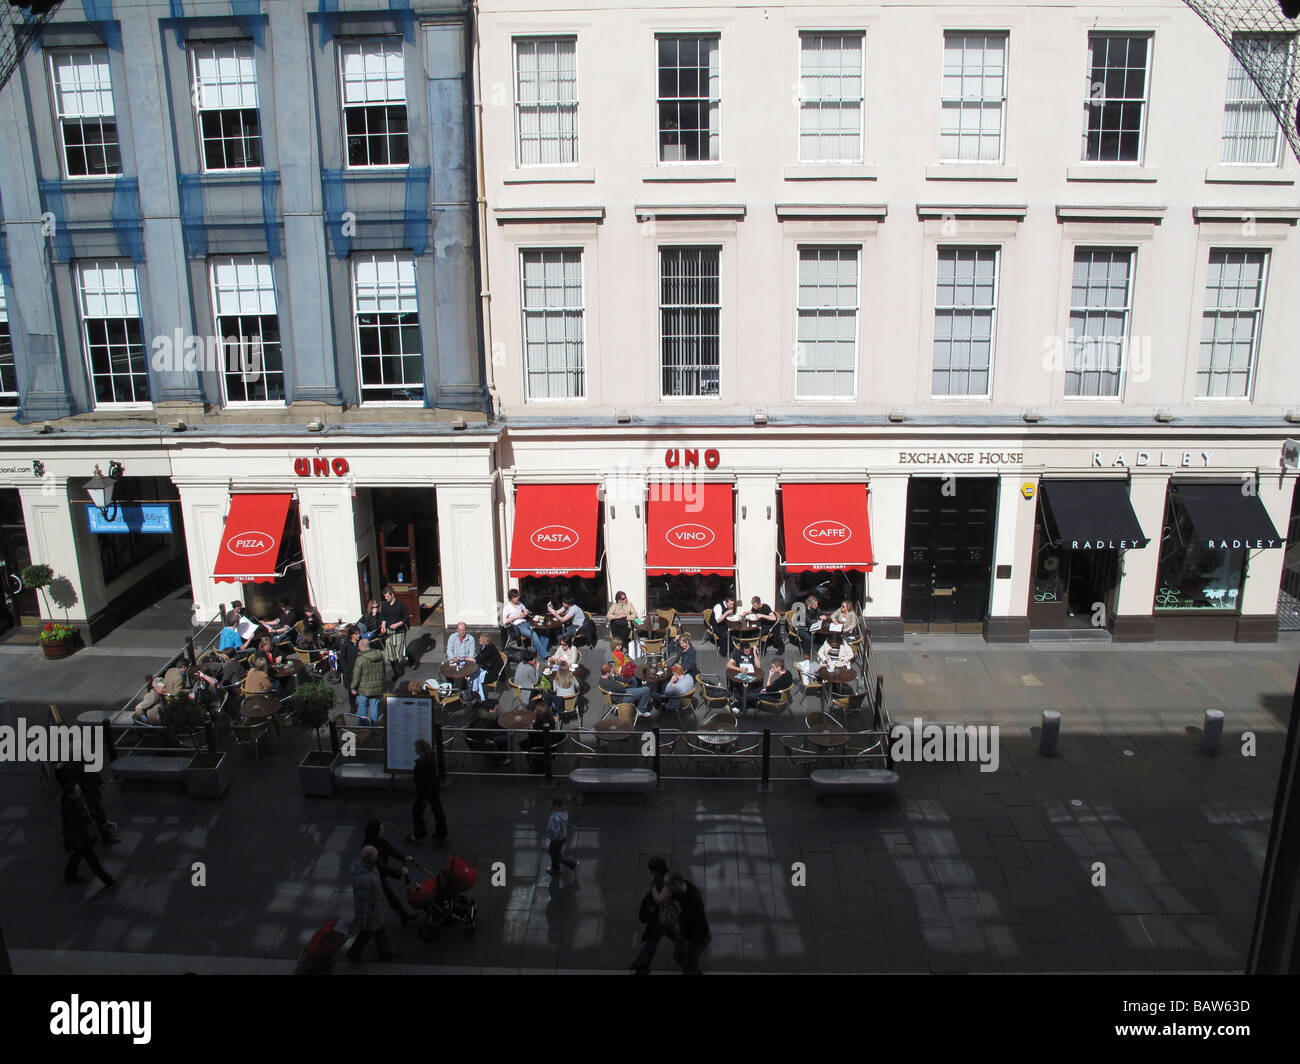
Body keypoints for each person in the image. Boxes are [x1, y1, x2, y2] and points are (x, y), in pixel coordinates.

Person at [346, 846, 397, 964]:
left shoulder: (368, 867)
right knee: (366, 933)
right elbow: (361, 902)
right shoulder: (364, 878)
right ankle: (354, 954)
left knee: (380, 929)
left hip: (375, 908)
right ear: (372, 859)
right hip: (370, 912)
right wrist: (361, 920)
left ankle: (384, 951)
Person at [61, 782, 116, 887]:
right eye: (77, 791)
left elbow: (90, 812)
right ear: (70, 795)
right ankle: (108, 881)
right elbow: (71, 827)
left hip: (83, 837)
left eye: (79, 790)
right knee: (93, 861)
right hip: (81, 839)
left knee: (76, 856)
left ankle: (69, 875)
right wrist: (77, 841)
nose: (80, 792)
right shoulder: (68, 809)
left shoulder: (78, 800)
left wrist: (104, 820)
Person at [54, 762, 120, 845]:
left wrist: (100, 783)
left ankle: (105, 836)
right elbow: (64, 781)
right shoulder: (64, 766)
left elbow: (92, 770)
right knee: (94, 816)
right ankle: (105, 836)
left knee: (97, 815)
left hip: (90, 792)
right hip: (84, 794)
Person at [363, 820, 414, 925]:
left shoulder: (378, 840)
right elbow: (381, 867)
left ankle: (403, 916)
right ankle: (402, 916)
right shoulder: (370, 850)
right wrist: (400, 872)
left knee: (390, 895)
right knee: (387, 896)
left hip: (377, 874)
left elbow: (390, 849)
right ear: (375, 832)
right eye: (381, 830)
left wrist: (403, 858)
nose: (383, 832)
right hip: (374, 876)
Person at [630, 856, 671, 974]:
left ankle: (641, 966)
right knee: (654, 939)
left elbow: (659, 900)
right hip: (664, 917)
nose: (649, 872)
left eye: (652, 870)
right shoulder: (661, 878)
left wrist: (653, 887)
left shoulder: (664, 882)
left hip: (666, 917)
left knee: (653, 938)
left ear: (657, 871)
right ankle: (642, 966)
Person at [664, 870, 711, 974]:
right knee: (677, 956)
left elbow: (698, 928)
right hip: (685, 933)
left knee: (688, 967)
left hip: (697, 940)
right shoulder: (682, 887)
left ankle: (691, 968)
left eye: (667, 885)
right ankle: (692, 967)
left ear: (675, 884)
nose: (666, 888)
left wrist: (690, 944)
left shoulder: (694, 902)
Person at [408, 739, 449, 843]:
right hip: (433, 789)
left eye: (415, 748)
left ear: (420, 749)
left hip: (425, 792)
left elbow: (423, 781)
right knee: (437, 810)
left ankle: (418, 834)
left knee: (417, 812)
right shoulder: (429, 758)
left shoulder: (422, 764)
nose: (414, 750)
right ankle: (441, 832)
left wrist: (424, 797)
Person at [502, 588, 549, 658]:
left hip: (526, 622)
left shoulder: (519, 603)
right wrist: (516, 617)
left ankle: (542, 650)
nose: (518, 597)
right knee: (534, 634)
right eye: (516, 596)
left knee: (544, 629)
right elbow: (504, 621)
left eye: (518, 596)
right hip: (518, 626)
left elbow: (526, 610)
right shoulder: (507, 608)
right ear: (512, 598)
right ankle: (544, 655)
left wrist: (525, 612)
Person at [350, 637, 387, 723]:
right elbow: (383, 671)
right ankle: (374, 728)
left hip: (363, 689)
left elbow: (356, 676)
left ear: (362, 647)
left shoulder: (360, 659)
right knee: (374, 707)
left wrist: (353, 687)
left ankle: (363, 729)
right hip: (377, 687)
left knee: (362, 707)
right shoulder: (380, 655)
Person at [379, 586, 410, 679]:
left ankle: (408, 657)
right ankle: (396, 672)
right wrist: (383, 626)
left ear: (392, 595)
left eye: (387, 596)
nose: (386, 598)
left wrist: (397, 624)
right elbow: (383, 616)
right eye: (384, 597)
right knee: (390, 651)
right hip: (389, 631)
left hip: (399, 631)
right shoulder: (384, 605)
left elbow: (405, 618)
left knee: (399, 651)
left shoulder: (400, 605)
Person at [545, 796, 578, 878]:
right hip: (562, 837)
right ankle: (555, 868)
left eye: (551, 804)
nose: (549, 806)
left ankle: (574, 865)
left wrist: (552, 836)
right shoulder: (562, 814)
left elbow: (555, 830)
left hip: (557, 839)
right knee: (553, 852)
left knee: (556, 854)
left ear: (556, 805)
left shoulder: (555, 817)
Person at [522, 705, 562, 773]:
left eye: (535, 711)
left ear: (539, 714)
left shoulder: (538, 725)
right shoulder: (551, 720)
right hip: (551, 746)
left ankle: (534, 766)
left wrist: (530, 728)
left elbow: (534, 737)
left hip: (540, 748)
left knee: (527, 744)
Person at [726, 644, 764, 713]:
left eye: (749, 651)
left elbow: (758, 666)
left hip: (751, 674)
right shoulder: (737, 653)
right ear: (742, 650)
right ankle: (741, 703)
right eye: (746, 651)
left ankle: (739, 705)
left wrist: (755, 653)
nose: (748, 652)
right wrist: (739, 669)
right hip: (741, 673)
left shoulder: (752, 652)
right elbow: (728, 665)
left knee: (752, 687)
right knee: (739, 686)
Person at [471, 633, 505, 701]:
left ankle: (478, 696)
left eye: (480, 638)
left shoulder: (489, 649)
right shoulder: (485, 647)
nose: (478, 639)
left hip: (493, 672)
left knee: (476, 678)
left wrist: (474, 660)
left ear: (484, 640)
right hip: (488, 668)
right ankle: (477, 694)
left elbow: (482, 659)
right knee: (474, 675)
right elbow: (480, 657)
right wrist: (474, 659)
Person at [337, 625, 362, 712]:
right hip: (350, 671)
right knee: (351, 690)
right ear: (351, 635)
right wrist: (346, 670)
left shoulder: (360, 643)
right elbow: (342, 658)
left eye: (359, 634)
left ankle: (362, 703)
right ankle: (352, 705)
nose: (358, 635)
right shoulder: (346, 645)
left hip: (360, 670)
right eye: (356, 634)